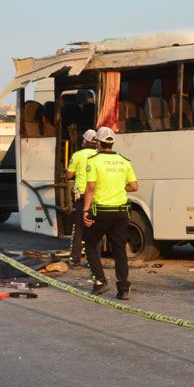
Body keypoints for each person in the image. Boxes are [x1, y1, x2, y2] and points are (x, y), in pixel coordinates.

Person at [80, 126, 139, 299]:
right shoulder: (124, 161)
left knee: (90, 244)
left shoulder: (93, 161)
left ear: (98, 142)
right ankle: (123, 289)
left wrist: (85, 211)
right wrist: (120, 187)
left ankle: (100, 281)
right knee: (119, 249)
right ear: (111, 143)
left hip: (101, 211)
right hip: (120, 212)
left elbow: (90, 187)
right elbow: (134, 186)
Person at [66, 129, 99, 266]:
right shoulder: (100, 155)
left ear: (85, 141)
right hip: (97, 196)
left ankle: (75, 259)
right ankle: (94, 261)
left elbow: (69, 175)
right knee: (96, 229)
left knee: (79, 228)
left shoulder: (77, 155)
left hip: (82, 195)